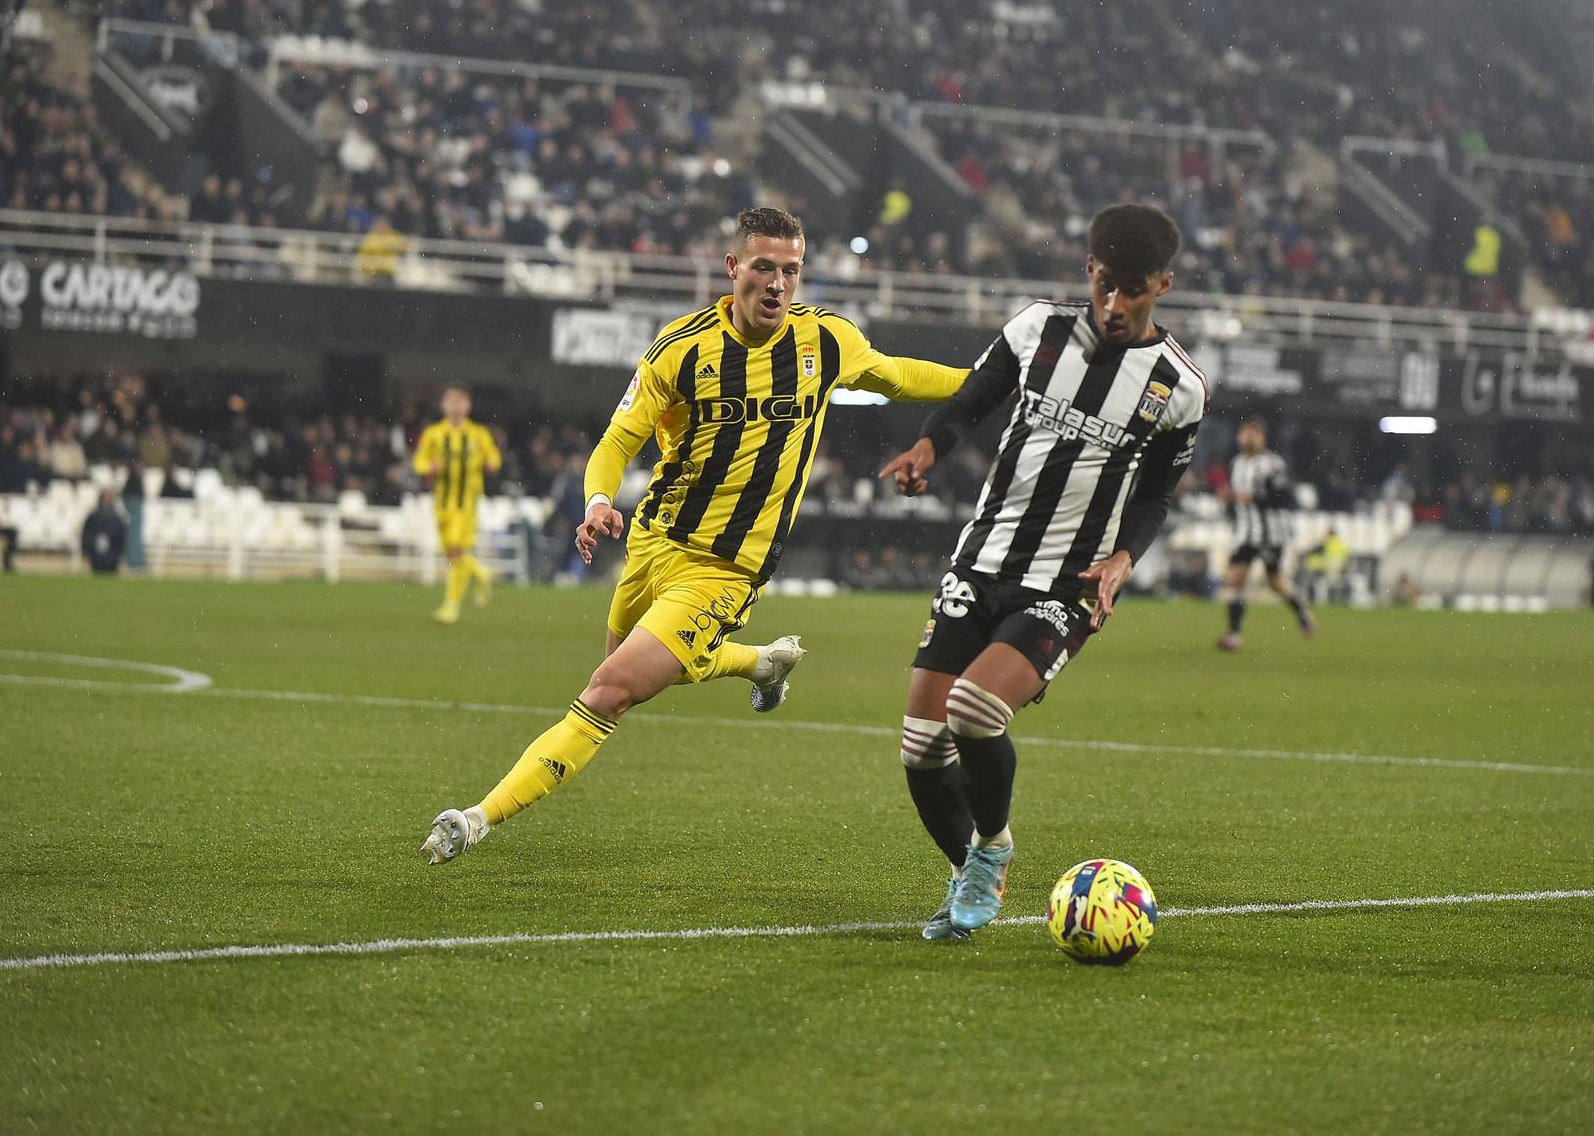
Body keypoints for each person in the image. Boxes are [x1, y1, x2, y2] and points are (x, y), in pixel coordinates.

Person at [420, 206, 969, 865]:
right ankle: (760, 662)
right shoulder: (681, 348)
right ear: (733, 267)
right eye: (763, 267)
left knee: (608, 690)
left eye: (791, 270)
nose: (777, 283)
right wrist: (599, 500)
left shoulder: (825, 341)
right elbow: (617, 441)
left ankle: (477, 817)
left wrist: (987, 386)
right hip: (652, 543)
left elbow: (899, 376)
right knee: (638, 671)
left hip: (725, 569)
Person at [878, 203, 1209, 938]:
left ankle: (992, 847)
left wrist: (1125, 557)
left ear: (1162, 285)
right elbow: (969, 403)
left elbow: (1156, 494)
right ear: (1088, 270)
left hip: (1067, 584)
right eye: (1103, 283)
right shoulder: (1036, 329)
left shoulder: (1179, 387)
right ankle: (968, 870)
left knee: (973, 710)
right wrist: (929, 448)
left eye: (1132, 290)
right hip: (981, 560)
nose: (1113, 304)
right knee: (921, 748)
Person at [1217, 416, 1314, 651]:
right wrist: (1229, 500)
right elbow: (1238, 500)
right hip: (1245, 533)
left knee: (1275, 582)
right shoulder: (1236, 464)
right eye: (1245, 433)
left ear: (1262, 438)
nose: (1248, 438)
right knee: (1235, 578)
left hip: (1270, 533)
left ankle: (1302, 612)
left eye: (1253, 434)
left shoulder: (1272, 464)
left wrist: (1256, 498)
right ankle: (1233, 634)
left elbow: (1285, 496)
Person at [411, 385, 504, 624]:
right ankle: (479, 574)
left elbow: (494, 458)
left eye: (460, 400)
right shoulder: (433, 433)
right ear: (443, 404)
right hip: (442, 503)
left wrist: (491, 463)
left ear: (467, 406)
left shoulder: (478, 434)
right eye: (451, 400)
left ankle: (452, 605)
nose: (455, 405)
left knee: (455, 549)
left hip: (466, 504)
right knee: (452, 555)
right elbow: (419, 461)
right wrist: (428, 468)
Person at [82, 491, 127, 575]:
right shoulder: (93, 517)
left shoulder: (116, 518)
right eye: (105, 499)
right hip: (96, 557)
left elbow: (121, 538)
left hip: (112, 558)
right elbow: (87, 536)